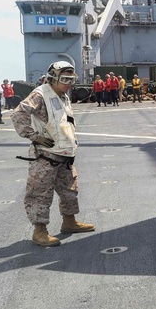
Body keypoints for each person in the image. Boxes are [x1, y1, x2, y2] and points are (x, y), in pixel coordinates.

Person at [11, 61, 95, 247]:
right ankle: (39, 232)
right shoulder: (40, 94)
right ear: (53, 78)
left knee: (69, 190)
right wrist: (34, 137)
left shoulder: (63, 95)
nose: (69, 83)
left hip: (64, 154)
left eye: (72, 79)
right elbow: (18, 115)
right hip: (45, 156)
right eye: (64, 79)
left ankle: (69, 222)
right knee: (40, 193)